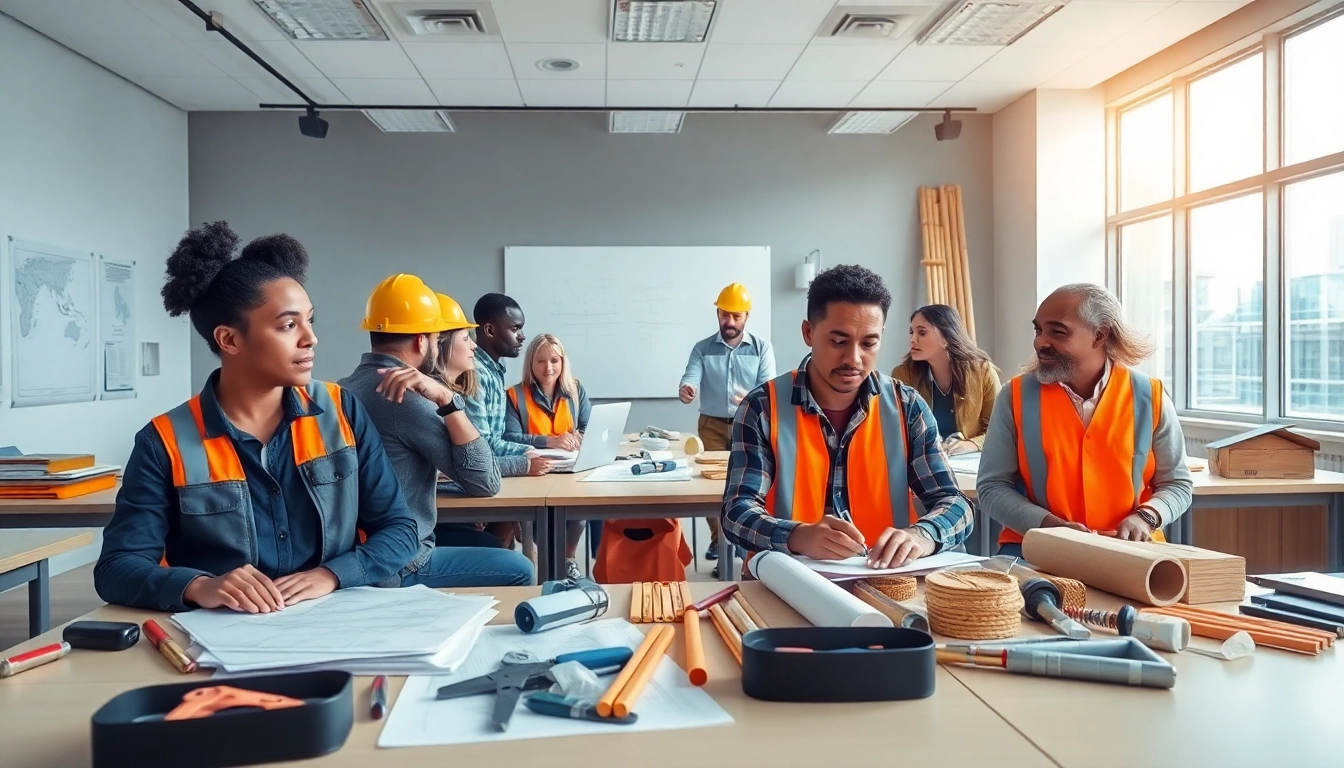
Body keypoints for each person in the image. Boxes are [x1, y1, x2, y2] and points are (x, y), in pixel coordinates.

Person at [94, 222, 420, 612]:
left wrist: (331, 575)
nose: (310, 338)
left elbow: (400, 531)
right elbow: (117, 567)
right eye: (288, 325)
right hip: (224, 630)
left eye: (310, 320)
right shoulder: (163, 441)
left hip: (334, 619)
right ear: (229, 339)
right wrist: (200, 585)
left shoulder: (342, 411)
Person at [721, 265, 974, 570]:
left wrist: (922, 535)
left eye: (869, 343)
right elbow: (736, 512)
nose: (853, 359)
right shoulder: (763, 407)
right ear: (808, 332)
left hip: (886, 582)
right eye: (839, 342)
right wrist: (796, 536)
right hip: (785, 581)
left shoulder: (907, 408)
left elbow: (956, 504)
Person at [340, 277, 533, 587]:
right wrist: (447, 400)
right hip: (401, 562)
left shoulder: (344, 388)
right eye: (435, 336)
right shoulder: (407, 399)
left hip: (358, 554)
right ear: (421, 341)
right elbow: (486, 481)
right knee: (520, 568)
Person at [977, 284, 1193, 558]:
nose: (1040, 342)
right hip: (1036, 548)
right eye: (1038, 330)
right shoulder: (1014, 396)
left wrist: (1146, 517)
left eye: (1057, 332)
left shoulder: (1150, 396)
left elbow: (1177, 484)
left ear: (1100, 335)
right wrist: (1048, 526)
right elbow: (991, 488)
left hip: (1131, 551)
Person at [679, 282, 776, 565]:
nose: (730, 322)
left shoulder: (761, 348)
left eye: (736, 316)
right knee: (711, 484)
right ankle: (719, 540)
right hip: (711, 424)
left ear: (746, 316)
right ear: (718, 314)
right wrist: (687, 389)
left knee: (745, 483)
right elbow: (690, 376)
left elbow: (769, 389)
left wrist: (750, 397)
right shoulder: (702, 348)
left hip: (749, 423)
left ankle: (741, 541)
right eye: (725, 315)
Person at [504, 334, 598, 580]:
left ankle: (568, 560)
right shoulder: (514, 395)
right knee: (540, 524)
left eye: (554, 360)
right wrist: (550, 441)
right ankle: (544, 567)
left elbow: (589, 428)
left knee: (581, 510)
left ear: (563, 362)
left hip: (569, 470)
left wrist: (580, 437)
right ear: (530, 363)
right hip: (534, 472)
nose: (548, 368)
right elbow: (510, 437)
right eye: (541, 361)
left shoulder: (576, 390)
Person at [463, 293, 552, 479]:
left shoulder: (495, 371)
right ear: (490, 330)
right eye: (515, 329)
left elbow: (498, 438)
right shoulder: (475, 373)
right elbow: (482, 446)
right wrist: (529, 451)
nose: (522, 337)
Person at [891, 304, 1000, 454]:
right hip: (923, 459)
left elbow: (999, 429)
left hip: (970, 462)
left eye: (922, 333)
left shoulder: (983, 372)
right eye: (911, 332)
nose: (913, 339)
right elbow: (895, 430)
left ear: (947, 336)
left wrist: (972, 444)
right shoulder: (903, 376)